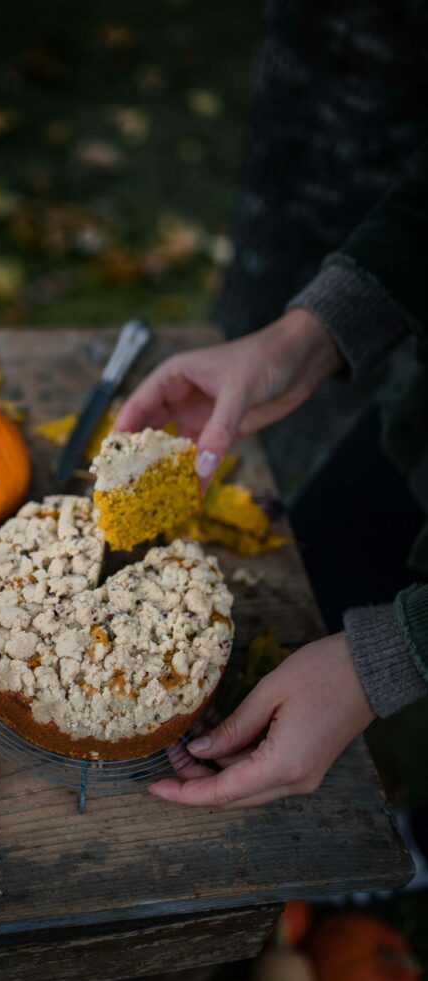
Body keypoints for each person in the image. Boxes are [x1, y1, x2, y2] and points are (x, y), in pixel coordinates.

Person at [114, 146, 428, 808]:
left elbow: (375, 664)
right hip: (412, 443)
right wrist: (302, 340)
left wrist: (389, 659)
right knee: (313, 587)